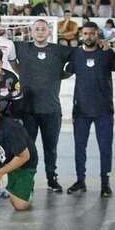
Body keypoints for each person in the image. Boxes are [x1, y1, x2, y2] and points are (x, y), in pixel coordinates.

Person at [15, 19, 72, 192]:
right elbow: (0, 45)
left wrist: (63, 74)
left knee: (50, 148)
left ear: (49, 32)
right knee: (27, 149)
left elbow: (82, 54)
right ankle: (27, 180)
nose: (40, 32)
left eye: (43, 29)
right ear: (31, 32)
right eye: (37, 29)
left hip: (51, 110)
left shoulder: (58, 50)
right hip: (28, 111)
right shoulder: (22, 48)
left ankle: (51, 178)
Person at [65, 22, 115, 197]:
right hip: (80, 110)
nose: (88, 37)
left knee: (105, 149)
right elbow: (66, 71)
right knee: (79, 148)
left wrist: (112, 48)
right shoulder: (76, 54)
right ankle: (80, 181)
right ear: (81, 35)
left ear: (98, 34)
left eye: (92, 34)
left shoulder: (106, 53)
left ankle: (105, 183)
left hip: (104, 110)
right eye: (85, 33)